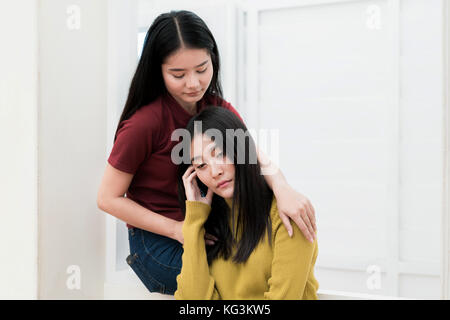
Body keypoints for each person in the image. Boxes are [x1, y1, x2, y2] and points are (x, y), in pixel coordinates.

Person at [97, 10, 317, 296]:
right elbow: (107, 198)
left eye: (202, 69)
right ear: (158, 71)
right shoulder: (143, 124)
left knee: (258, 261)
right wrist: (179, 230)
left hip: (205, 225)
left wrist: (283, 188)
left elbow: (254, 156)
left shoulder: (217, 108)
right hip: (157, 240)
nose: (193, 83)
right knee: (227, 278)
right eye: (178, 74)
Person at [175, 106, 319, 299]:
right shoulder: (207, 225)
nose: (215, 171)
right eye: (201, 165)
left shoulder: (288, 215)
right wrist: (193, 221)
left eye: (220, 154)